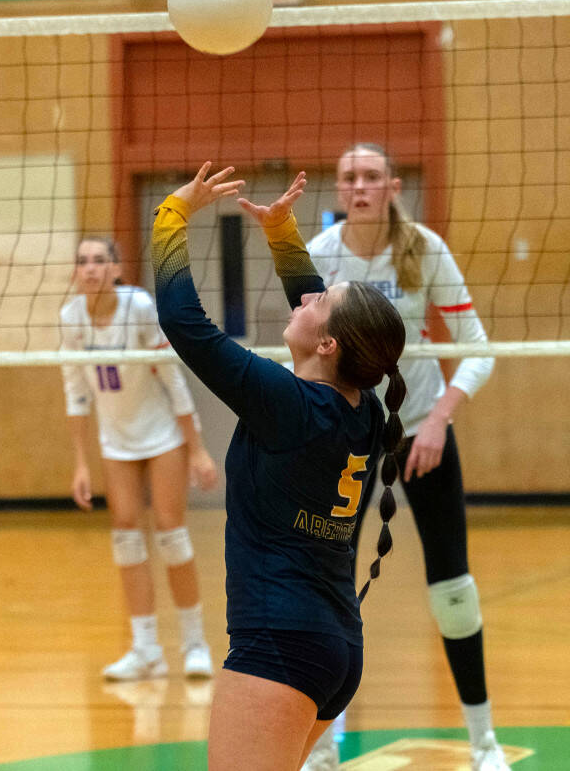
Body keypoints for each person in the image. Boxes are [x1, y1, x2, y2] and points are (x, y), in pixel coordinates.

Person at [152, 163, 407, 770]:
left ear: (329, 346)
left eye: (323, 300)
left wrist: (172, 215)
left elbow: (185, 326)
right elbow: (321, 317)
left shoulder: (288, 403)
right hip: (333, 646)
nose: (310, 295)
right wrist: (282, 234)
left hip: (280, 646)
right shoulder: (362, 408)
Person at [302, 143, 508, 771]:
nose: (360, 186)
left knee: (453, 591)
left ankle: (484, 744)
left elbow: (479, 348)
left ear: (392, 185)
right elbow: (306, 354)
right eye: (349, 177)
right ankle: (325, 745)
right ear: (339, 191)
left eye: (371, 176)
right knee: (330, 590)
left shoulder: (425, 247)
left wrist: (439, 419)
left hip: (421, 433)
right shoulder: (320, 256)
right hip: (348, 442)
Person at [60, 236, 220, 680]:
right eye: (82, 262)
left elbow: (172, 379)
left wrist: (197, 449)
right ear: (75, 273)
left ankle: (194, 644)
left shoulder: (139, 308)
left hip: (161, 435)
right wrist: (80, 464)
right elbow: (75, 394)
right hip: (116, 442)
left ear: (115, 268)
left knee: (171, 532)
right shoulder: (70, 318)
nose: (90, 269)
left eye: (99, 260)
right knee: (126, 535)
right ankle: (146, 648)